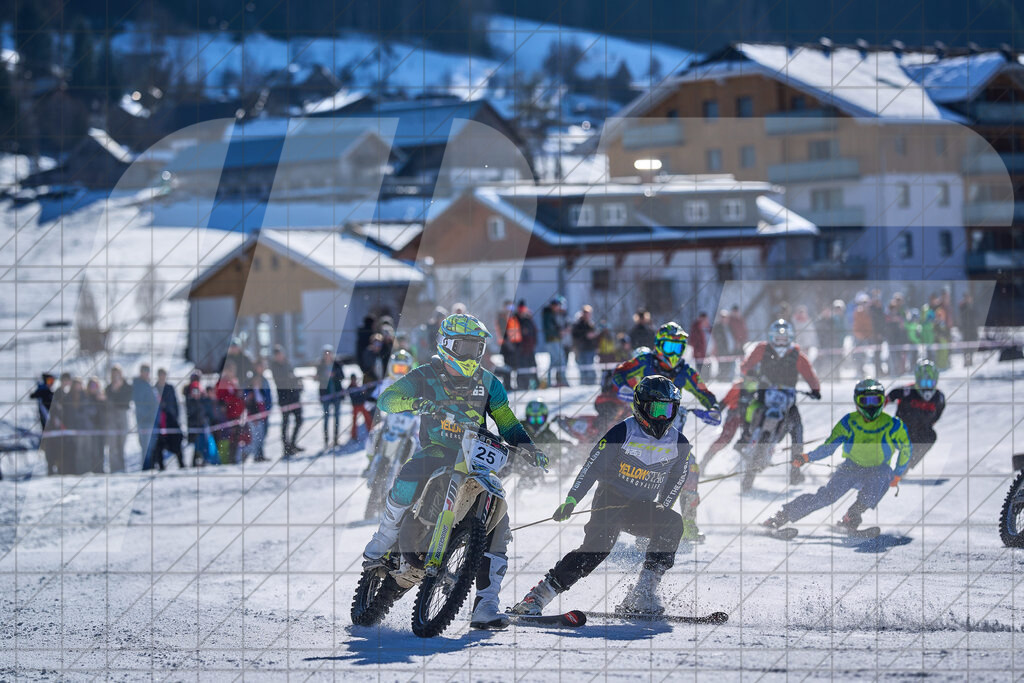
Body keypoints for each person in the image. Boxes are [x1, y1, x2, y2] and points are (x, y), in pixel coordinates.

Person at [361, 313, 547, 630]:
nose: (474, 354)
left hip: (476, 458)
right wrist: (418, 403)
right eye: (467, 346)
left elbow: (506, 421)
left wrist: (528, 446)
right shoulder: (426, 374)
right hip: (438, 450)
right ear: (448, 345)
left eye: (478, 348)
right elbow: (387, 400)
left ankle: (487, 604)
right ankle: (385, 537)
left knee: (498, 521)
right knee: (411, 471)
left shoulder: (489, 383)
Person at [512, 376, 692, 617]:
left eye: (668, 409)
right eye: (656, 409)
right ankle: (536, 597)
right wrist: (572, 499)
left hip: (641, 506)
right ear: (641, 406)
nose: (662, 416)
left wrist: (661, 511)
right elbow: (591, 467)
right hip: (610, 501)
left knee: (672, 523)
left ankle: (642, 593)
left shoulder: (679, 443)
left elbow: (677, 479)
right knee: (596, 550)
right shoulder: (623, 431)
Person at [604, 322, 720, 542]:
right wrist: (625, 388)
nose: (674, 353)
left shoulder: (684, 371)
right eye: (669, 347)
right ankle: (629, 523)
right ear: (658, 346)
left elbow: (704, 392)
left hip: (671, 438)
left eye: (679, 347)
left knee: (691, 471)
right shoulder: (645, 361)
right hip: (641, 434)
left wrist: (713, 408)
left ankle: (687, 523)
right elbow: (620, 372)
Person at [763, 379, 911, 534]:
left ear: (882, 401)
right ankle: (779, 517)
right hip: (851, 467)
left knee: (884, 474)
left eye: (875, 400)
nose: (870, 406)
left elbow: (906, 450)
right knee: (826, 497)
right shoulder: (849, 422)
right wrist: (807, 457)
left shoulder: (893, 425)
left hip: (877, 470)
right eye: (864, 401)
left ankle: (851, 517)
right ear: (857, 401)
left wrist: (898, 474)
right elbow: (829, 448)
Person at [738, 319, 822, 485]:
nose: (781, 341)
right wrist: (751, 372)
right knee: (752, 416)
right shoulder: (762, 348)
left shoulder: (797, 353)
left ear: (790, 338)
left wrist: (815, 389)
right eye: (778, 338)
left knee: (797, 430)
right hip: (764, 396)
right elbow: (745, 366)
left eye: (784, 338)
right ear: (771, 337)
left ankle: (795, 472)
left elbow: (809, 373)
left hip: (787, 399)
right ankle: (746, 445)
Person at [886, 359, 944, 471]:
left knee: (931, 436)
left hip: (919, 433)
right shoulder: (907, 390)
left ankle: (907, 465)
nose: (926, 387)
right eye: (923, 383)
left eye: (930, 383)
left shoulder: (939, 397)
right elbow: (889, 396)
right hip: (900, 429)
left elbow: (937, 415)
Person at [270, 345, 304, 457]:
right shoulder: (274, 367)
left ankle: (292, 444)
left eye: (280, 354)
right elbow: (281, 381)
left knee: (299, 420)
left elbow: (292, 377)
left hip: (294, 397)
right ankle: (286, 447)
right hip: (284, 399)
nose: (279, 356)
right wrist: (292, 379)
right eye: (277, 355)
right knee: (285, 423)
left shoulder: (287, 363)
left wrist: (298, 383)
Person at [154, 368, 185, 469]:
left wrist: (176, 416)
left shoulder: (170, 388)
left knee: (176, 442)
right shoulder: (155, 388)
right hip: (160, 421)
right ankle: (161, 465)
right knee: (160, 443)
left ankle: (181, 464)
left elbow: (175, 404)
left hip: (171, 419)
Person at [216, 362, 246, 464]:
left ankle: (233, 458)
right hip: (228, 416)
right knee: (228, 438)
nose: (233, 373)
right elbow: (222, 399)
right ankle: (227, 459)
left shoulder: (234, 382)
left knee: (236, 438)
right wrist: (235, 397)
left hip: (237, 415)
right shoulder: (222, 383)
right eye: (231, 370)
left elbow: (239, 398)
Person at [244, 359, 273, 461]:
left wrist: (269, 408)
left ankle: (260, 454)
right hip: (255, 412)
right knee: (256, 435)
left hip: (264, 411)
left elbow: (268, 396)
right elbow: (246, 396)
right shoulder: (250, 380)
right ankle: (255, 455)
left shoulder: (265, 380)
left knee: (264, 433)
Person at [105, 366, 132, 473]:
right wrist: (114, 391)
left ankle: (122, 467)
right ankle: (113, 468)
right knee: (112, 444)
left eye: (117, 374)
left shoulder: (127, 387)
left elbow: (126, 400)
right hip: (111, 416)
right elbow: (108, 402)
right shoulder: (108, 388)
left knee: (122, 442)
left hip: (123, 414)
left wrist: (119, 390)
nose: (115, 376)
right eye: (113, 374)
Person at [133, 365, 159, 471]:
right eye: (145, 371)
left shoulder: (148, 384)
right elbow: (139, 404)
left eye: (148, 371)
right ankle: (146, 468)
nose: (147, 373)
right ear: (141, 372)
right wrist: (148, 415)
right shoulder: (139, 385)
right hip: (144, 421)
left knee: (150, 445)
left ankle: (150, 466)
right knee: (146, 446)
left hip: (151, 420)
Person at [317, 345, 344, 449]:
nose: (327, 356)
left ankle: (336, 438)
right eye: (326, 354)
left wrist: (335, 375)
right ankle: (326, 440)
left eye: (329, 354)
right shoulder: (320, 366)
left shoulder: (337, 364)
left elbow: (342, 376)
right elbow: (318, 378)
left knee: (337, 417)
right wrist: (324, 376)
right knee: (326, 418)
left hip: (336, 394)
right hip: (325, 395)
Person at [30, 373, 57, 474]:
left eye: (52, 382)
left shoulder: (48, 392)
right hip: (47, 425)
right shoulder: (43, 392)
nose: (51, 384)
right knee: (49, 447)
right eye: (49, 381)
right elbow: (33, 395)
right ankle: (50, 468)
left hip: (52, 425)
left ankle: (53, 467)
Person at [541, 296, 569, 387]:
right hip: (552, 341)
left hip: (555, 341)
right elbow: (549, 329)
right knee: (561, 360)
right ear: (553, 306)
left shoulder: (552, 314)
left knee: (553, 362)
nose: (558, 308)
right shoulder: (548, 314)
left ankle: (550, 382)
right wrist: (559, 333)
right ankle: (562, 381)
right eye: (557, 306)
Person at [513, 300, 538, 390]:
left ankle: (534, 385)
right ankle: (521, 386)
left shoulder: (529, 319)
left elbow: (533, 332)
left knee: (532, 367)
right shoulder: (515, 319)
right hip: (520, 348)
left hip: (529, 348)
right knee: (521, 368)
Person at [572, 305, 599, 385]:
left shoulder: (591, 324)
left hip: (590, 349)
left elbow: (595, 336)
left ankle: (591, 384)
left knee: (590, 368)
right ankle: (584, 385)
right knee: (583, 369)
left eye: (589, 313)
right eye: (586, 313)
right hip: (581, 349)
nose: (588, 315)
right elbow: (575, 336)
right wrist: (586, 335)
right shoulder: (578, 324)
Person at [83, 377, 107, 473]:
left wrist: (103, 401)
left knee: (100, 450)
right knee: (92, 451)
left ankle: (100, 469)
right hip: (90, 429)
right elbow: (89, 412)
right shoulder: (86, 398)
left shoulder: (102, 397)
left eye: (96, 385)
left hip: (101, 428)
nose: (94, 388)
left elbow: (107, 412)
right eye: (92, 385)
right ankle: (93, 470)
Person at [348, 373, 373, 442]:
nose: (354, 380)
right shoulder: (350, 388)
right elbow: (354, 396)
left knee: (368, 418)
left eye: (355, 379)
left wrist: (363, 393)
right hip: (355, 406)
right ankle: (354, 435)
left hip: (361, 405)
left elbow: (363, 395)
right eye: (353, 379)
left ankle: (371, 431)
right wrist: (361, 393)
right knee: (354, 421)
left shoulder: (358, 387)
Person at [959, 291, 979, 367]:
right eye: (966, 298)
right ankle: (966, 360)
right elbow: (963, 317)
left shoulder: (973, 306)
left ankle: (970, 359)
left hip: (973, 329)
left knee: (972, 345)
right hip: (966, 330)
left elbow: (976, 316)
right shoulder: (962, 307)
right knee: (965, 346)